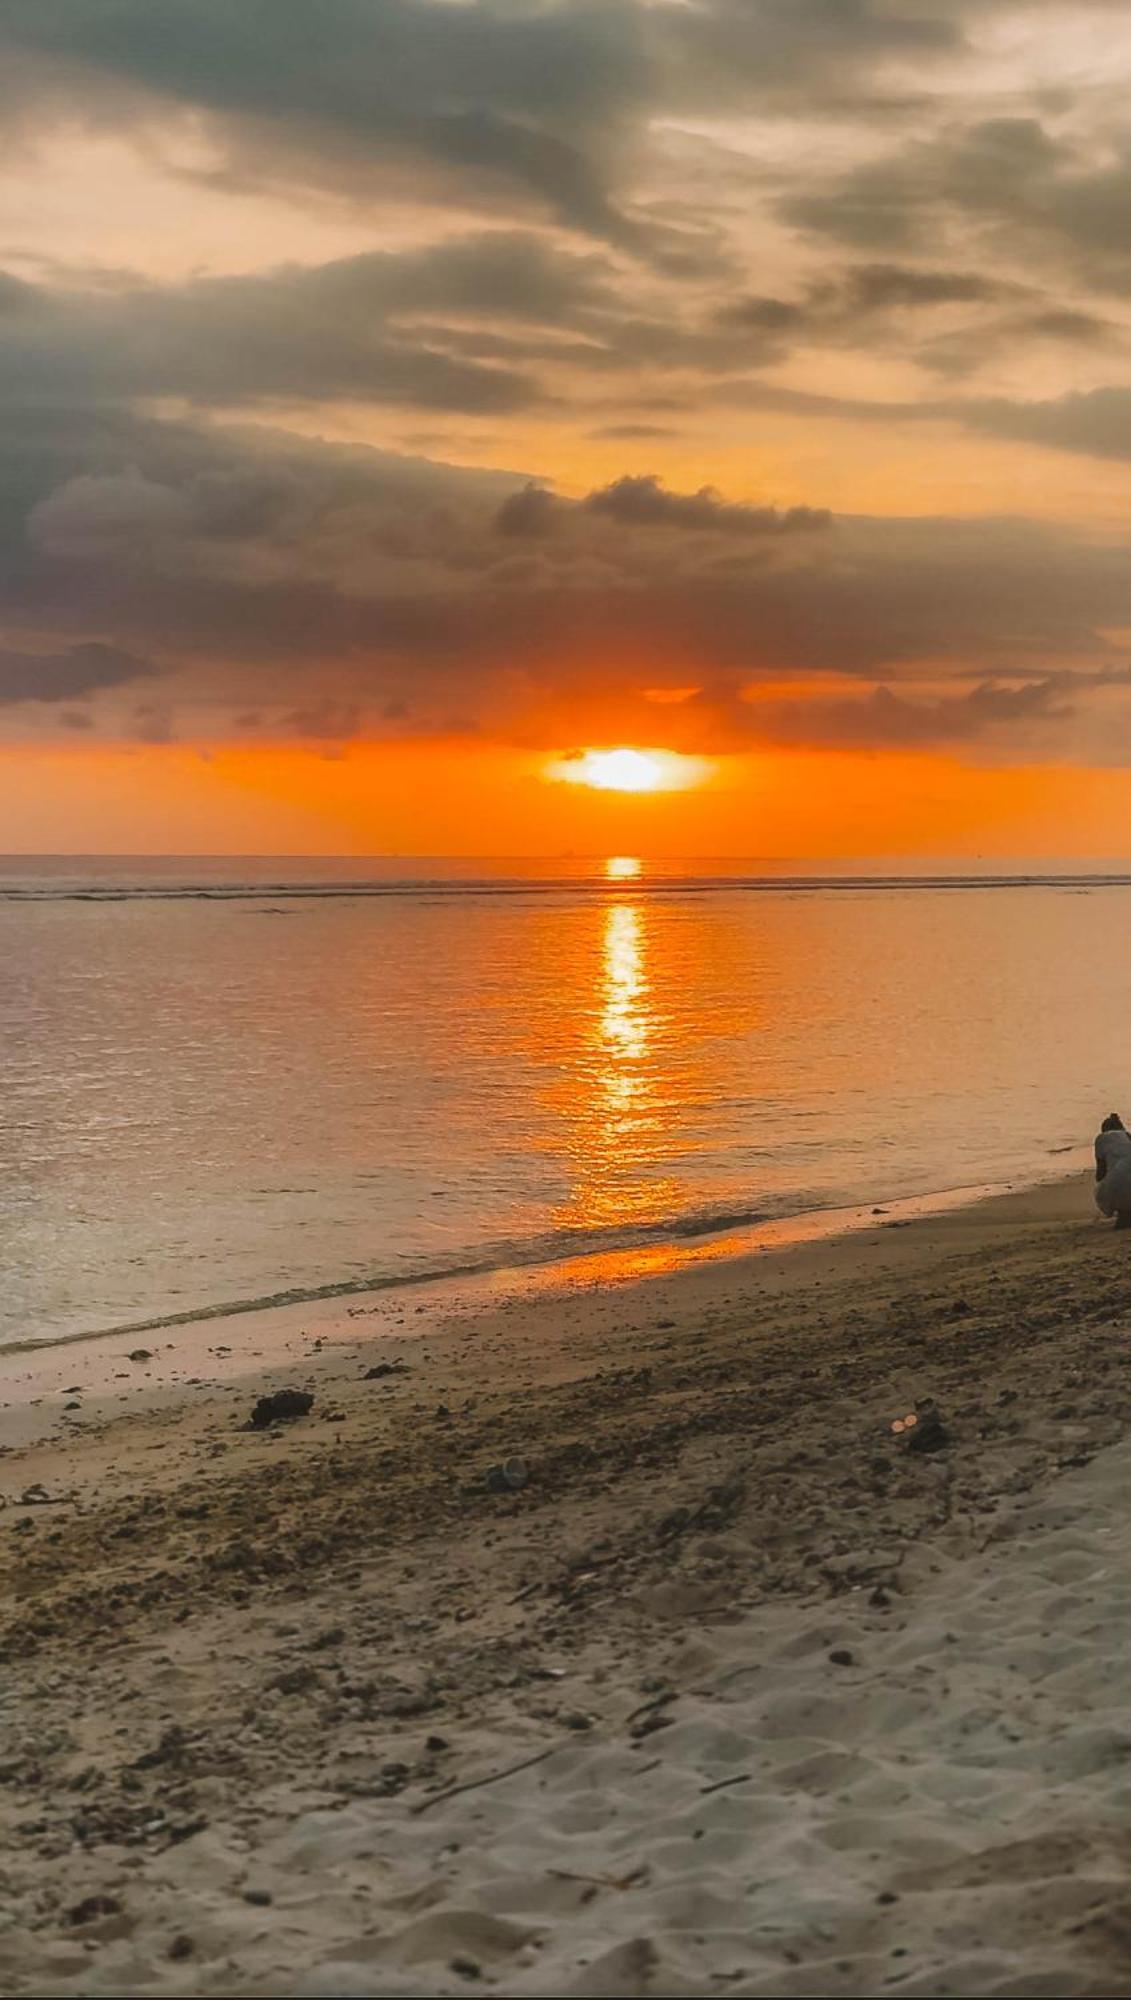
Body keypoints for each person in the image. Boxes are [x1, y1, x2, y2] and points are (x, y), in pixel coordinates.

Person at [1094, 1112, 1131, 1230]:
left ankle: (1123, 1211)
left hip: (1118, 1185)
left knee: (1116, 1182)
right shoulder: (1128, 1136)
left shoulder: (1101, 1139)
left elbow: (1100, 1174)